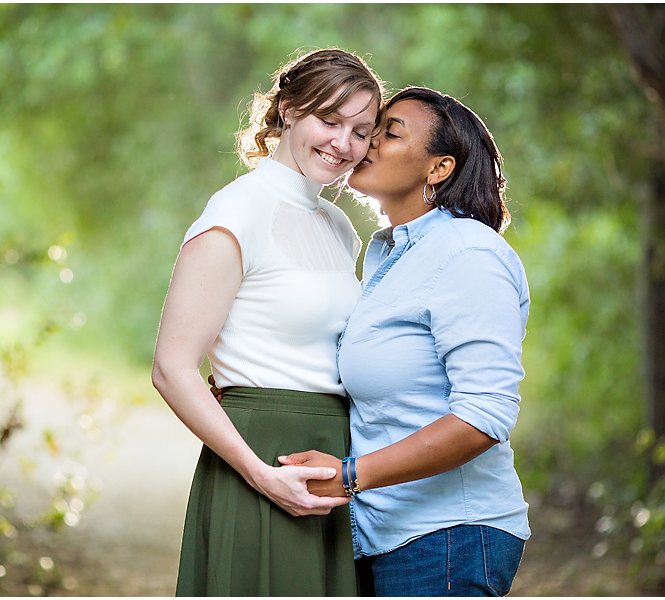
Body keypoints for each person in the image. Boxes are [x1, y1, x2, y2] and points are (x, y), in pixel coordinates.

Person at [280, 86, 531, 597]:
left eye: (389, 132)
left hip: (448, 538)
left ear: (438, 169)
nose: (367, 140)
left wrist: (352, 475)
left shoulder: (466, 255)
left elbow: (484, 415)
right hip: (386, 535)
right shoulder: (389, 258)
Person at [151, 48, 383, 596]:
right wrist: (260, 474)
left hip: (333, 453)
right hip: (260, 454)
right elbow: (172, 367)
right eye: (329, 120)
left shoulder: (336, 224)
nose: (343, 144)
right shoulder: (236, 212)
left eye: (361, 131)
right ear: (287, 110)